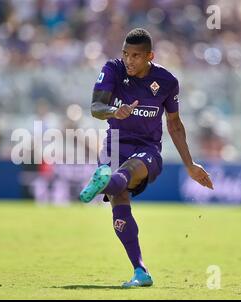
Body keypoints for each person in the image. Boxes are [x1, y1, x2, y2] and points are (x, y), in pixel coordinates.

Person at [79, 28, 214, 288]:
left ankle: (104, 181)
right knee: (119, 199)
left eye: (136, 56)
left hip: (148, 149)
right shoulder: (113, 69)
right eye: (126, 54)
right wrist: (115, 111)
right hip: (115, 143)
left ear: (150, 56)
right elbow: (96, 107)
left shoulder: (166, 81)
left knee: (127, 171)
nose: (129, 60)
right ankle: (140, 271)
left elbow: (174, 124)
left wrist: (189, 164)